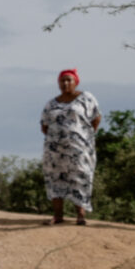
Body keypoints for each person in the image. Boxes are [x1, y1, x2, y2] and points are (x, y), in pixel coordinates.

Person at [41, 68, 104, 226]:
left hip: (79, 149)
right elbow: (44, 125)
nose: (66, 83)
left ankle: (80, 216)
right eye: (62, 80)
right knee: (55, 178)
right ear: (58, 83)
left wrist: (85, 136)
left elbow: (96, 118)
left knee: (80, 177)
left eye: (69, 80)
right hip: (55, 150)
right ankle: (57, 215)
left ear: (76, 82)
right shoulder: (51, 103)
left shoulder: (86, 98)